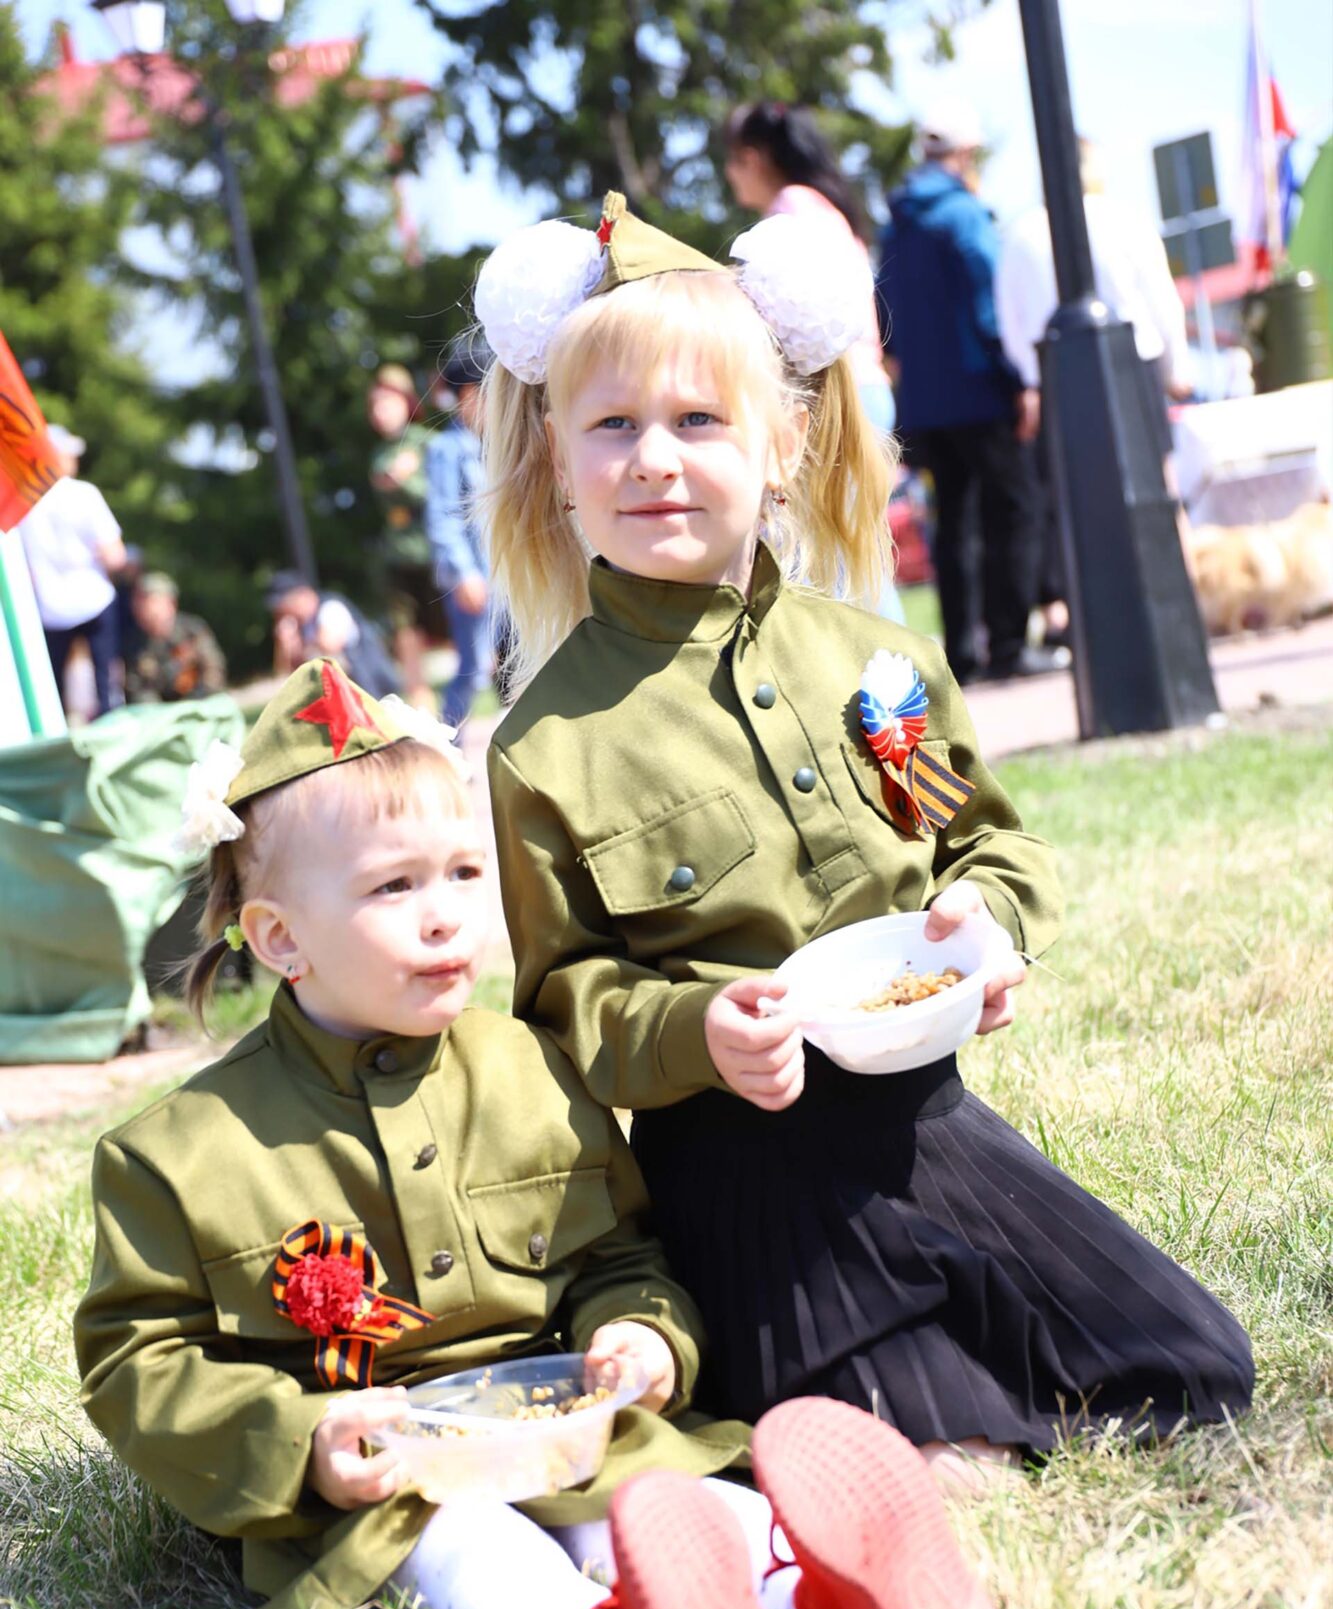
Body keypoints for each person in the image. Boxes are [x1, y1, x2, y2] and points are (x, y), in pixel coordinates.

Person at [74, 658, 1000, 1609]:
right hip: (394, 1481)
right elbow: (140, 1363)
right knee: (478, 1558)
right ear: (279, 938)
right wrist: (304, 1441)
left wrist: (641, 1334)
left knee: (675, 1507)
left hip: (567, 1433)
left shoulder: (529, 1066)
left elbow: (618, 1250)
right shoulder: (178, 1154)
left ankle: (838, 1603)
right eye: (392, 887)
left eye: (466, 871)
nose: (446, 917)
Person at [476, 191, 1254, 1490]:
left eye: (697, 422)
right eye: (611, 427)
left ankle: (907, 1359)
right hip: (737, 1166)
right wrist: (698, 1032)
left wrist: (982, 934)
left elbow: (979, 847)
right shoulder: (544, 747)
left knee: (1190, 1366)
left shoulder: (877, 671)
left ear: (782, 443)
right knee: (943, 1449)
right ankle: (847, 1408)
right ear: (557, 464)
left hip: (919, 1116)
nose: (652, 460)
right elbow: (565, 1004)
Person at [995, 139, 1193, 654]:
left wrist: (1031, 379)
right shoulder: (1124, 220)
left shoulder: (1020, 235)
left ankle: (1079, 616)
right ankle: (1181, 592)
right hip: (1135, 360)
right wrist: (1178, 367)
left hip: (1054, 368)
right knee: (1157, 487)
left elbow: (1010, 321)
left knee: (1068, 498)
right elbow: (1160, 301)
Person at [875, 100, 1042, 685]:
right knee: (1012, 512)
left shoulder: (895, 223)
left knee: (951, 525)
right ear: (966, 155)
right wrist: (1019, 377)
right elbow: (989, 306)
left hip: (923, 403)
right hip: (980, 395)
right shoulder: (966, 216)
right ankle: (1009, 646)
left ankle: (962, 659)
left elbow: (885, 309)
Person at [723, 102, 904, 622]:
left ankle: (892, 684)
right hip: (865, 386)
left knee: (838, 554)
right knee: (853, 547)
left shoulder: (791, 209)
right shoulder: (826, 207)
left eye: (732, 164)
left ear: (752, 158)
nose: (731, 178)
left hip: (833, 391)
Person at [16, 423, 126, 717]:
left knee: (52, 693)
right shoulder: (83, 493)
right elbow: (114, 555)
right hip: (95, 599)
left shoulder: (22, 501)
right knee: (107, 688)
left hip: (49, 609)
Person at [424, 336, 495, 729]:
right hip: (473, 577)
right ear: (469, 394)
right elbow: (443, 518)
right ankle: (445, 741)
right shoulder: (446, 449)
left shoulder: (492, 444)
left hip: (504, 574)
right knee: (473, 669)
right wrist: (464, 572)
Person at [366, 362, 449, 695]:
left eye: (387, 402)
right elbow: (384, 483)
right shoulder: (380, 452)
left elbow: (441, 494)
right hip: (400, 555)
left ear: (406, 402)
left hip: (435, 552)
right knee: (406, 633)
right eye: (374, 405)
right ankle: (420, 703)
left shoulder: (426, 441)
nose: (379, 412)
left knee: (458, 630)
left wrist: (406, 479)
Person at [266, 571, 398, 699]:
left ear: (302, 595)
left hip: (370, 689)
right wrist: (287, 644)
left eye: (284, 605)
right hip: (342, 697)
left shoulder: (330, 607)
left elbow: (329, 645)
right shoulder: (302, 626)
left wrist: (301, 641)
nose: (281, 612)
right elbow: (290, 672)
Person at [124, 571, 227, 704]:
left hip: (200, 702)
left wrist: (194, 702)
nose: (140, 607)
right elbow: (136, 689)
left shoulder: (192, 631)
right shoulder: (134, 644)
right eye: (137, 600)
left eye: (148, 600)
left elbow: (214, 670)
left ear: (170, 603)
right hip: (160, 715)